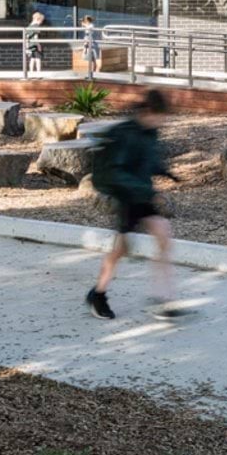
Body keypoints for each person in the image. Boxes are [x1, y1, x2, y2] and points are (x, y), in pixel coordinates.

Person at [85, 89, 183, 321]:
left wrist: (165, 172)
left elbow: (149, 159)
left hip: (142, 194)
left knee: (163, 236)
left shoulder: (150, 131)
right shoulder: (124, 134)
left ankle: (164, 299)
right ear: (148, 111)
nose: (162, 122)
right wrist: (146, 191)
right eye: (160, 116)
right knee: (121, 250)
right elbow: (116, 172)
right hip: (127, 196)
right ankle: (98, 294)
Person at [25, 10, 47, 77]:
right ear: (38, 19)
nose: (41, 23)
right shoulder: (36, 26)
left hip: (30, 45)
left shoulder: (28, 27)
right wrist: (39, 45)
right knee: (38, 59)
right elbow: (36, 36)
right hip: (35, 44)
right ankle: (38, 73)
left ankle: (31, 73)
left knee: (32, 59)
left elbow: (26, 37)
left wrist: (27, 46)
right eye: (41, 21)